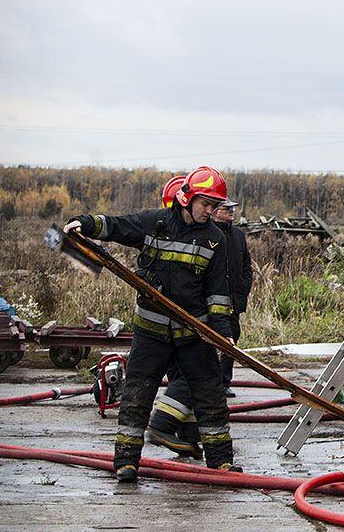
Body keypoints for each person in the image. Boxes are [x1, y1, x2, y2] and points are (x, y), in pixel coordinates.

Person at [64, 166, 240, 481]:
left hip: (193, 332)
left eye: (215, 206)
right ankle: (126, 463)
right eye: (206, 204)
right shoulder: (155, 223)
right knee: (137, 395)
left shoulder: (215, 239)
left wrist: (222, 334)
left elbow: (218, 293)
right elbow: (117, 226)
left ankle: (221, 462)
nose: (211, 211)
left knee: (210, 394)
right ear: (187, 198)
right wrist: (85, 224)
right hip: (152, 332)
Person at [147, 197, 251, 456]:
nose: (227, 213)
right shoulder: (197, 236)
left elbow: (241, 270)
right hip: (197, 320)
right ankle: (162, 423)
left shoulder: (233, 237)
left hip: (223, 311)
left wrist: (238, 298)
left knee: (204, 376)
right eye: (222, 209)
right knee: (198, 374)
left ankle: (189, 436)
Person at [213, 199, 251, 396]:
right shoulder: (208, 233)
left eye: (232, 209)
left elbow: (246, 264)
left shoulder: (237, 235)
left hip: (234, 300)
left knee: (232, 339)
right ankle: (209, 383)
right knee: (209, 343)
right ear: (215, 212)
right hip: (212, 302)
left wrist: (243, 288)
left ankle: (224, 382)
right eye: (226, 209)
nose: (231, 212)